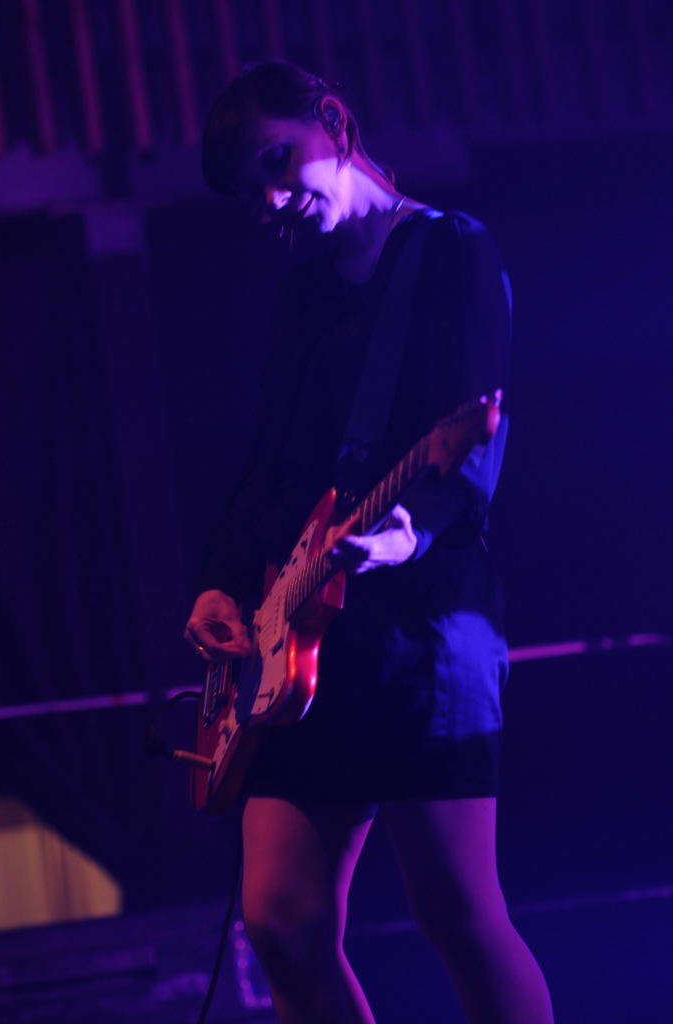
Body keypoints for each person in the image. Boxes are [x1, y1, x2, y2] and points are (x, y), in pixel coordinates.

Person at [185, 61, 553, 1024]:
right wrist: (222, 585)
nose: (270, 202)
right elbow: (270, 463)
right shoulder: (304, 298)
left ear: (335, 124)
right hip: (301, 633)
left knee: (457, 913)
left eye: (278, 162)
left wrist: (405, 536)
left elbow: (473, 439)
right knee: (281, 920)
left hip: (421, 626)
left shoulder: (451, 251)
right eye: (248, 193)